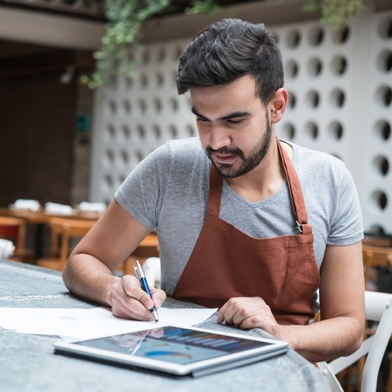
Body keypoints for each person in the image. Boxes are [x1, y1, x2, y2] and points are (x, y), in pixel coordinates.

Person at [63, 18, 365, 363]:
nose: (216, 141)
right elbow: (82, 262)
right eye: (203, 119)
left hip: (285, 370)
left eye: (234, 121)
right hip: (177, 362)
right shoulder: (170, 166)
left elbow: (350, 327)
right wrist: (112, 290)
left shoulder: (329, 180)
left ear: (276, 106)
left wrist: (281, 335)